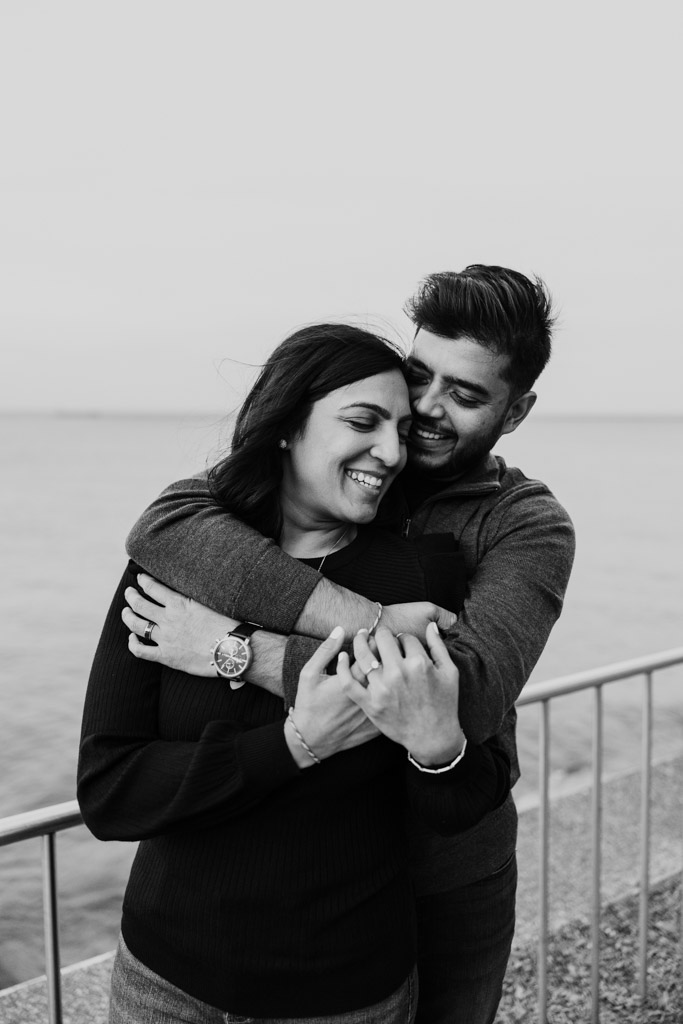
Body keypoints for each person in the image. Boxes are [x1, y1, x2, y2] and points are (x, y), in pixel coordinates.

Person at [126, 265, 576, 1024]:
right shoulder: (354, 462)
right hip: (312, 879)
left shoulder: (526, 525)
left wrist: (241, 650)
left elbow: (458, 695)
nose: (425, 412)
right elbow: (164, 527)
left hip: (445, 870)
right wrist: (375, 624)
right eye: (418, 377)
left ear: (517, 409)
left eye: (464, 396)